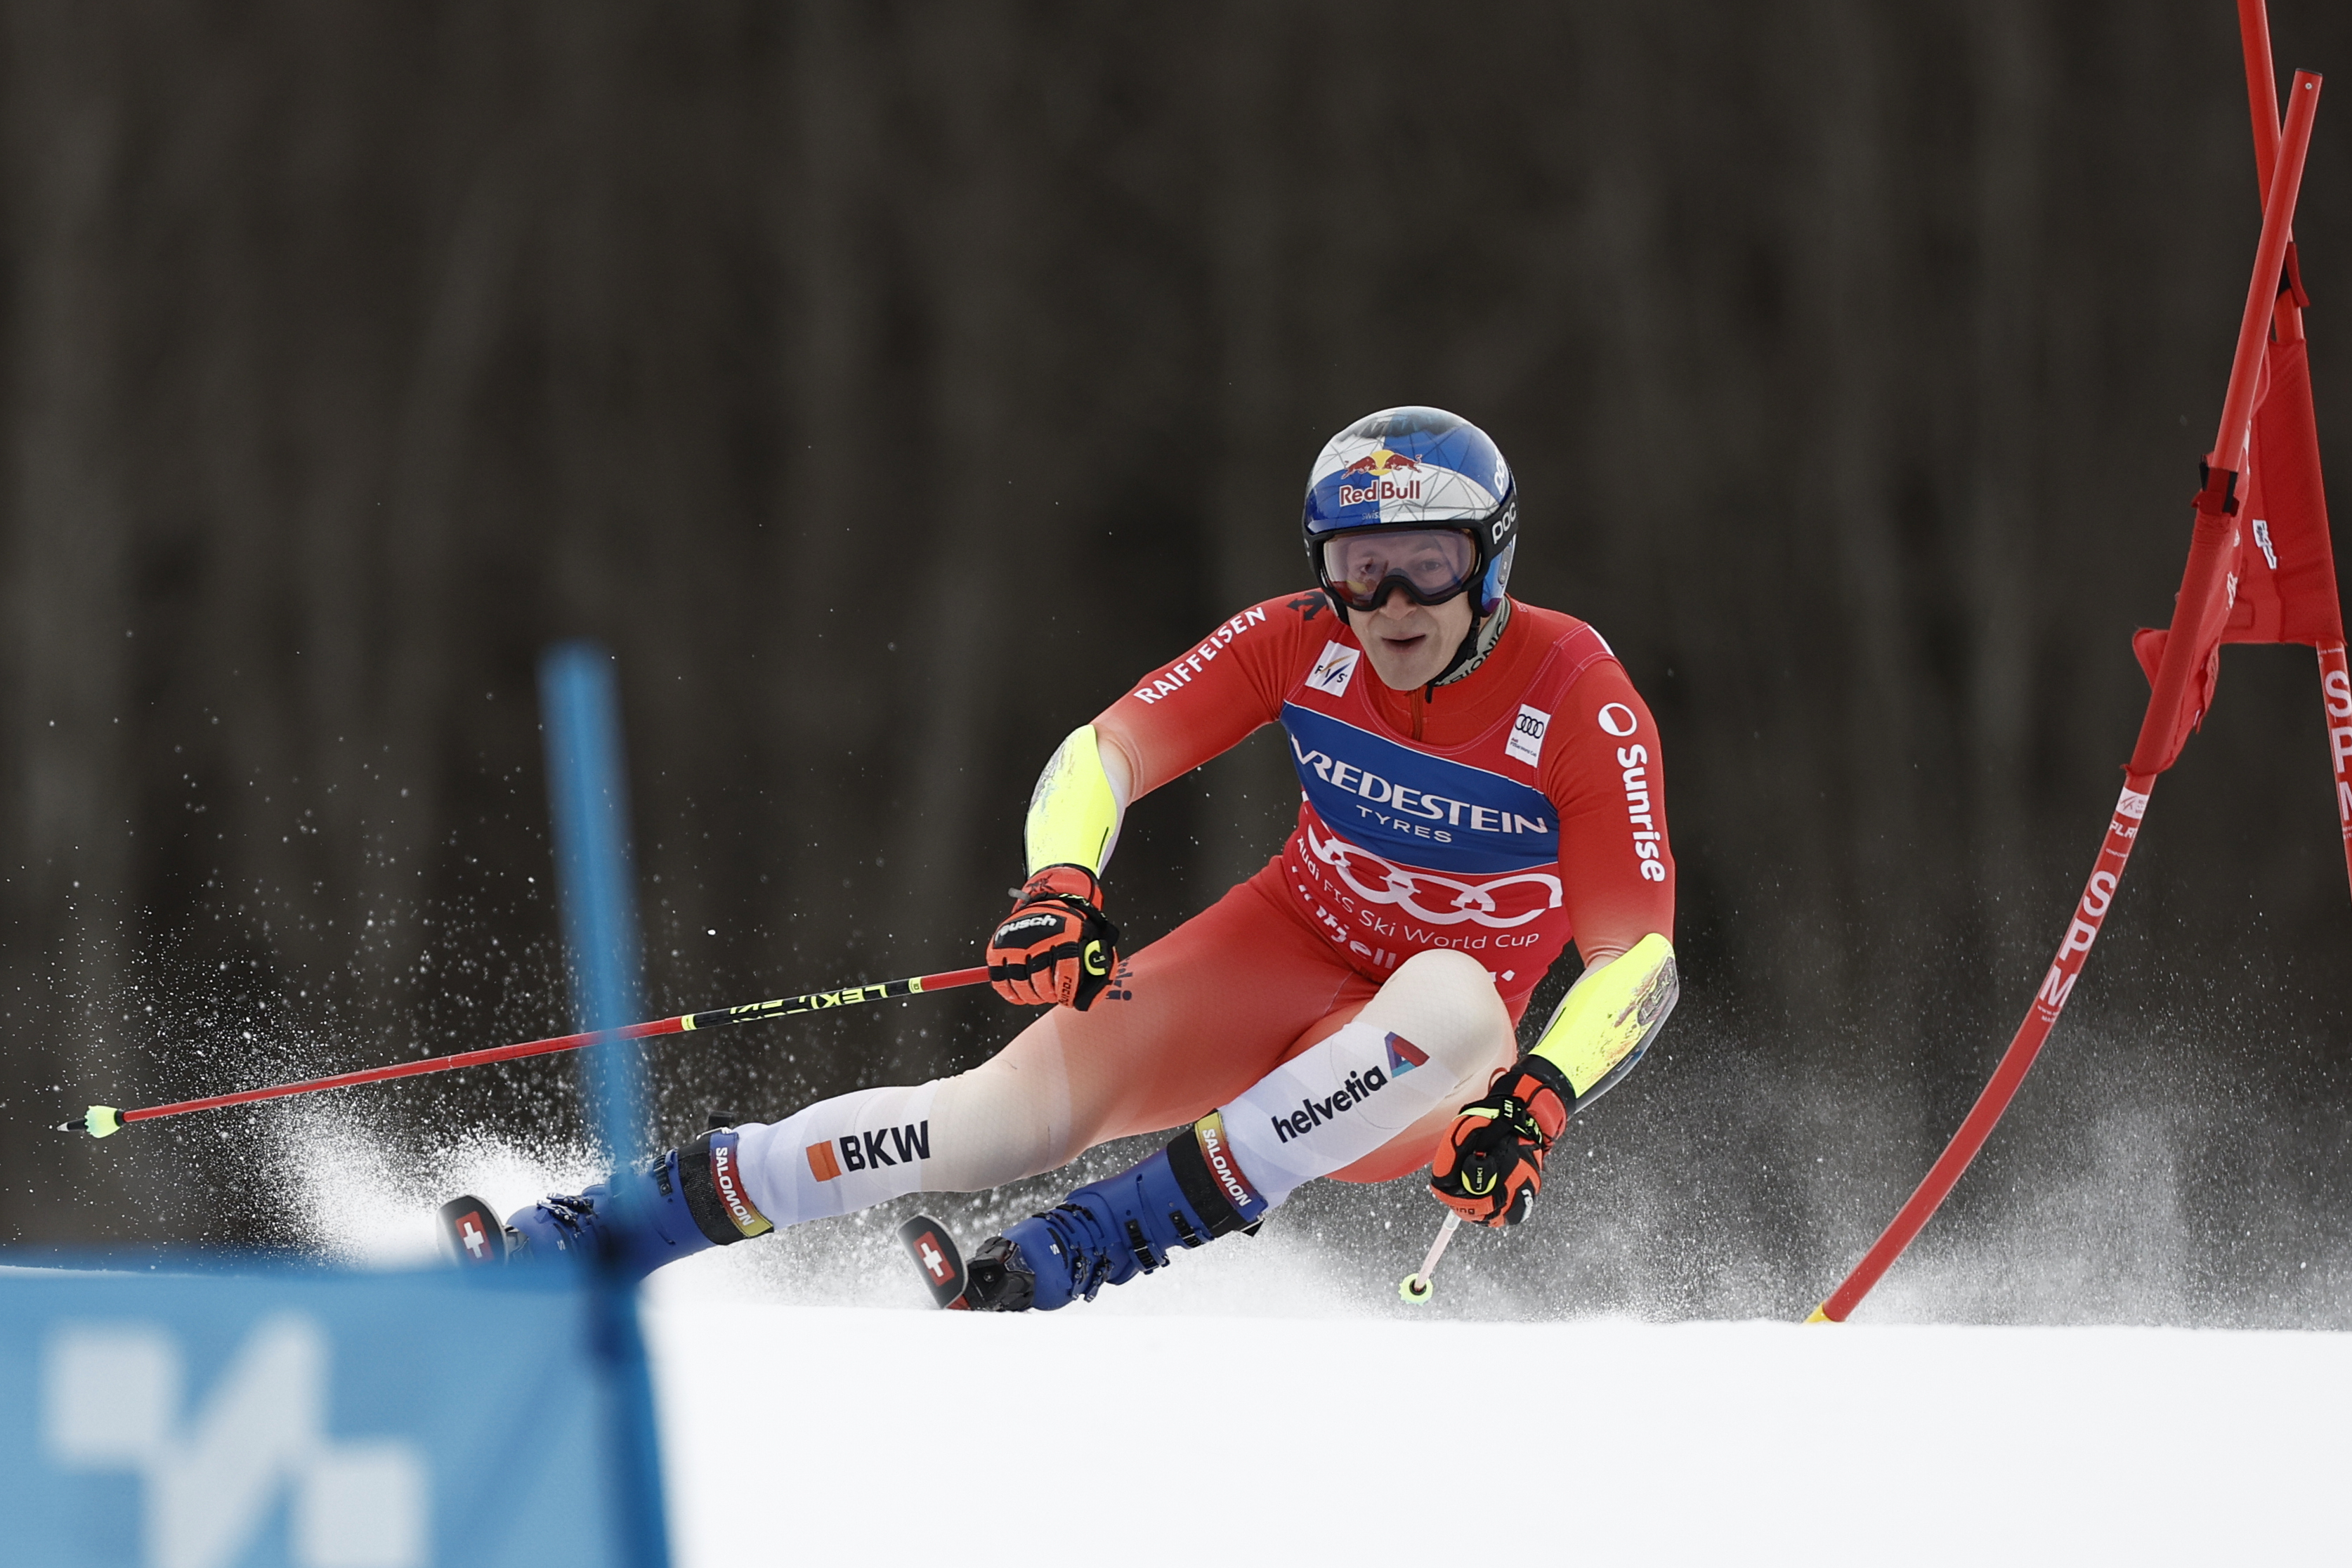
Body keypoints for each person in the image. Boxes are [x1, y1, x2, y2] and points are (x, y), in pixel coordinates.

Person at [459, 406, 1678, 1310]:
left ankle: (1106, 1236)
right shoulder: (1296, 641)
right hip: (1278, 954)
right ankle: (610, 1230)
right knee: (986, 1122)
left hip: (1416, 1071)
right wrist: (1063, 886)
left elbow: (1641, 960)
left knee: (1460, 1000)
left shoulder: (1579, 697)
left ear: (1492, 561)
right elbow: (1105, 754)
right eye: (1361, 566)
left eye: (1432, 562)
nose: (1395, 601)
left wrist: (1539, 1100)